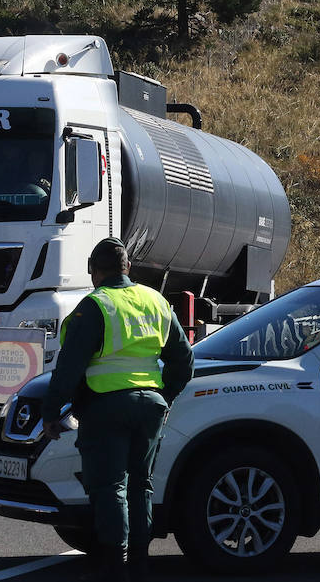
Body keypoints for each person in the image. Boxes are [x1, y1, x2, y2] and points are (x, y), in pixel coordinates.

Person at [42, 238, 193, 582]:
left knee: (110, 487)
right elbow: (184, 361)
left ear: (94, 272)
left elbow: (69, 369)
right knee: (141, 485)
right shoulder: (156, 301)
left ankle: (114, 566)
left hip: (106, 405)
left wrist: (51, 413)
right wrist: (164, 396)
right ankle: (139, 563)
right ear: (128, 268)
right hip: (150, 406)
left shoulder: (94, 306)